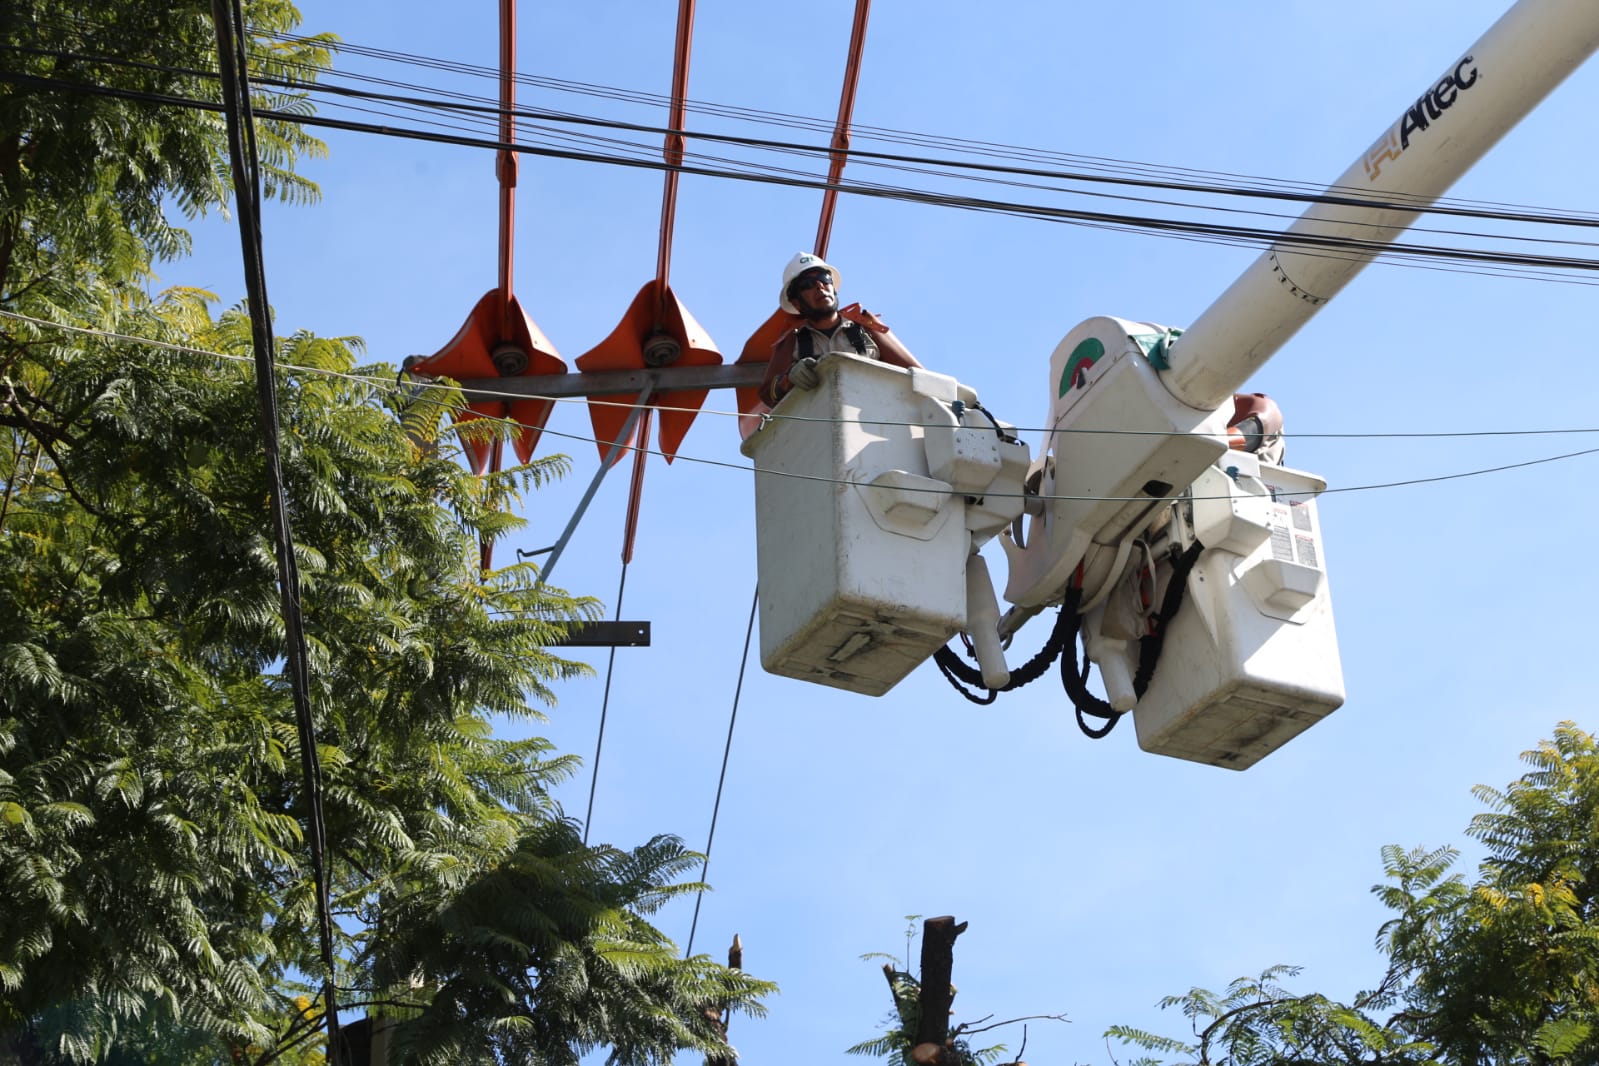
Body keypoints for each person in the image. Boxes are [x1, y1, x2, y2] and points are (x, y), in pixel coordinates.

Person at [758, 252, 922, 407]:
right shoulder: (792, 341)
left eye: (824, 278)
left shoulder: (866, 326)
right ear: (796, 304)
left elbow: (919, 376)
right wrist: (789, 379)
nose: (820, 287)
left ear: (834, 289)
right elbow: (768, 394)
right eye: (807, 284)